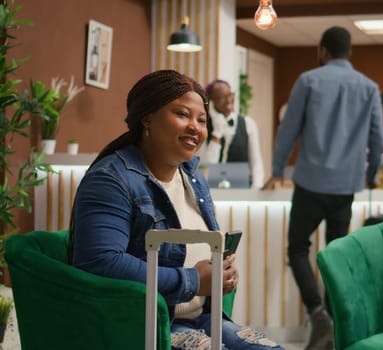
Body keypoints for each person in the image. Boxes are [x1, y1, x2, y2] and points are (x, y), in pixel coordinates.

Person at [68, 70, 283, 350]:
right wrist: (194, 280)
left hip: (203, 318)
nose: (195, 127)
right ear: (147, 118)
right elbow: (100, 261)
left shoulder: (193, 177)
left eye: (202, 120)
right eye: (182, 114)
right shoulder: (111, 178)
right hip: (148, 325)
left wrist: (222, 272)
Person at [262, 26, 383, 350]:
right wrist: (372, 174)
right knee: (335, 254)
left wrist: (277, 170)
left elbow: (288, 130)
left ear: (323, 51)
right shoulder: (369, 87)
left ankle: (318, 315)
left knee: (297, 248)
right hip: (345, 187)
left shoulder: (308, 80)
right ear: (350, 52)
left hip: (310, 183)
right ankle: (332, 327)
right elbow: (380, 138)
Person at [198, 79, 265, 188]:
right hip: (212, 190)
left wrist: (256, 189)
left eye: (230, 95)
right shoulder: (204, 126)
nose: (228, 100)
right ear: (212, 101)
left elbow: (256, 162)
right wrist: (217, 134)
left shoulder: (249, 124)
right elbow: (206, 166)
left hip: (242, 190)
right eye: (221, 97)